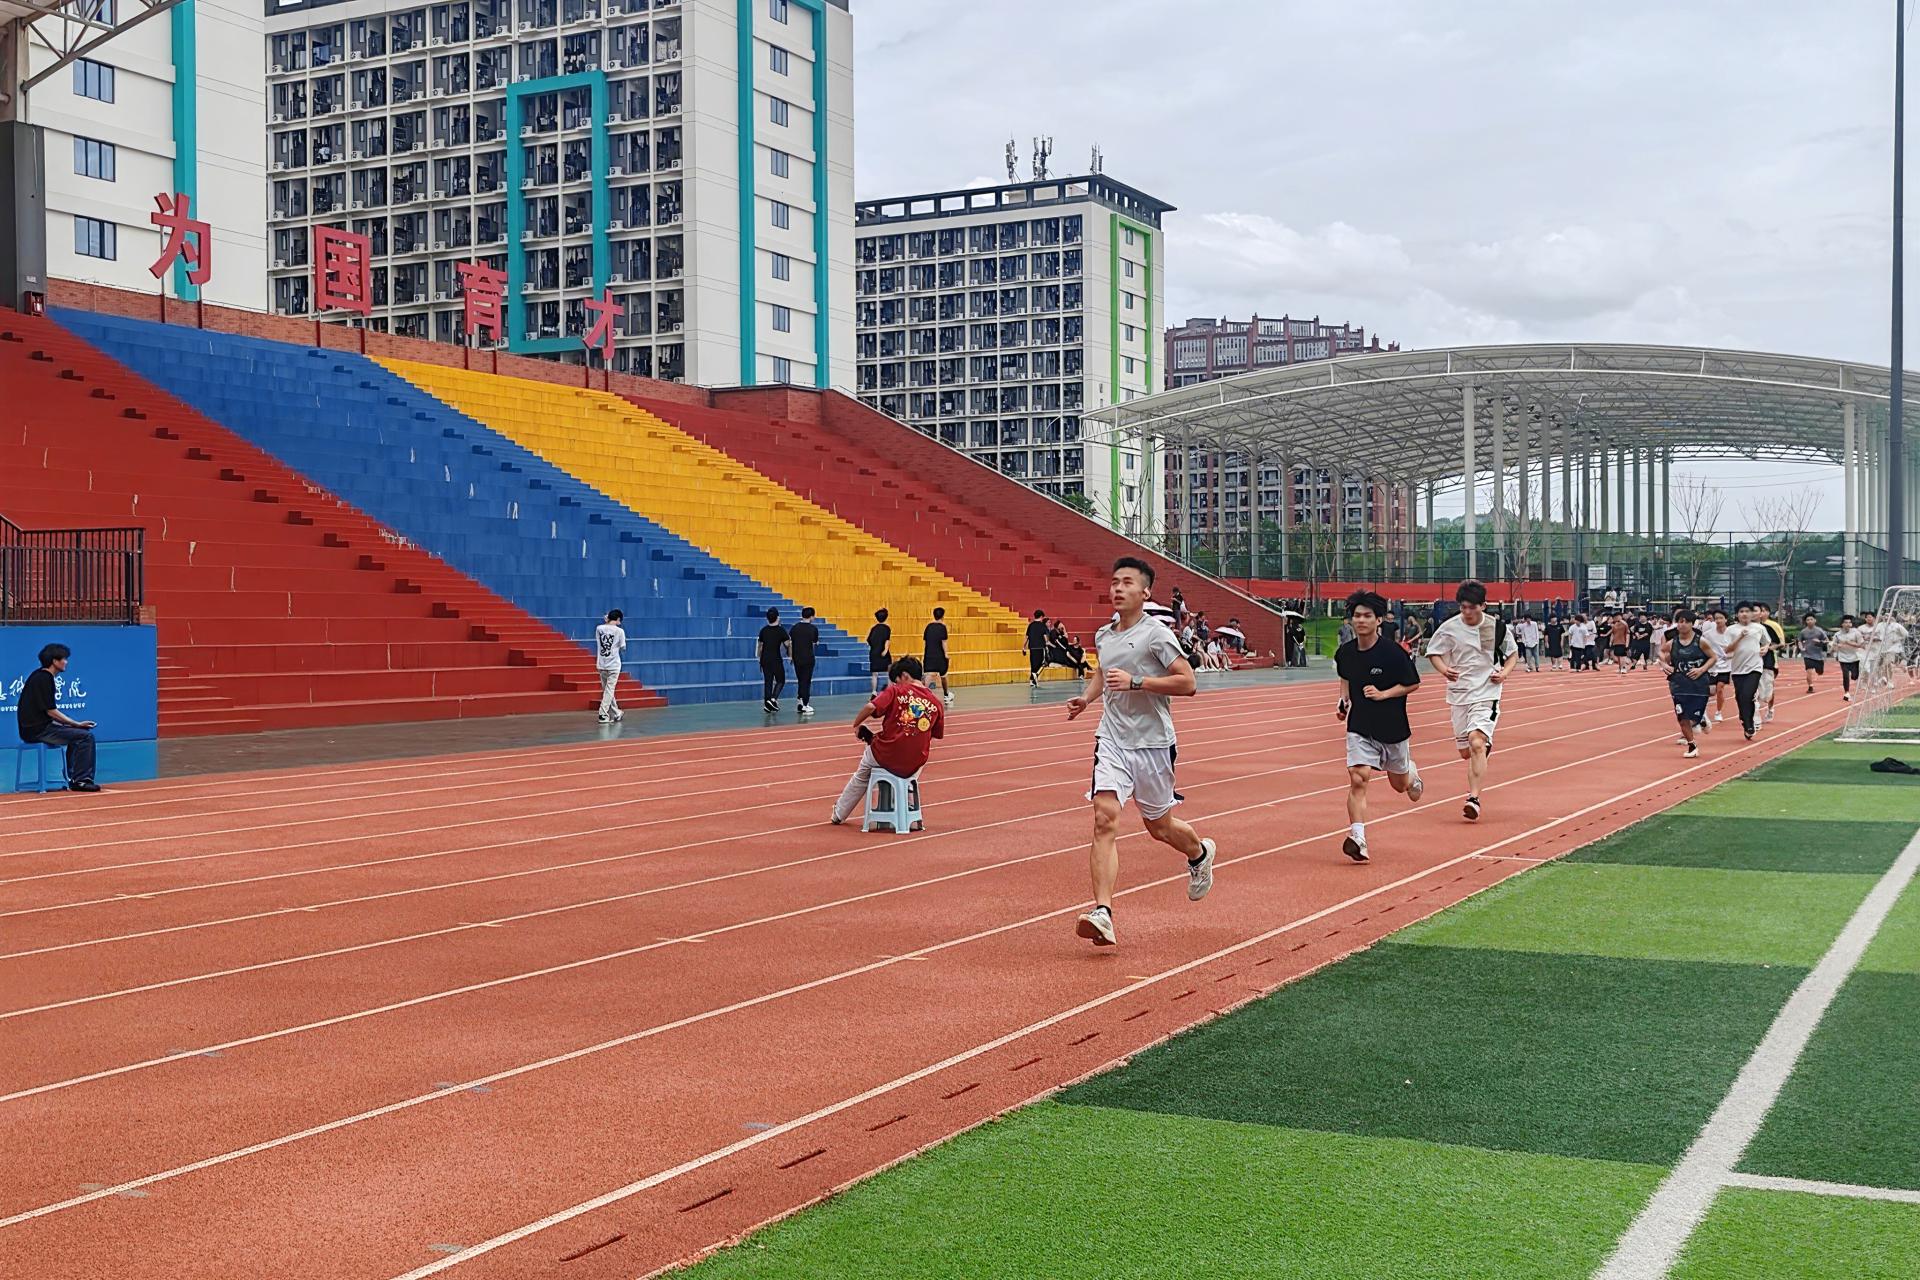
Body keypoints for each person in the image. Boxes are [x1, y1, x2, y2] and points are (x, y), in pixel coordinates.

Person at [1067, 556, 1217, 948]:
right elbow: (1103, 672)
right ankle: (1103, 913)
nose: (1118, 588)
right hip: (1112, 740)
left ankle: (1199, 854)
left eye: (1127, 582)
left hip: (1153, 744)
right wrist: (1086, 698)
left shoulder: (1157, 635)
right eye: (1114, 581)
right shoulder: (1104, 634)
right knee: (1104, 818)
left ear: (1145, 592)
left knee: (1159, 827)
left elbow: (1188, 683)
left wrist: (1138, 682)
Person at [1334, 590, 1424, 863]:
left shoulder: (1393, 653)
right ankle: (1358, 838)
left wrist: (1384, 694)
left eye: (1367, 616)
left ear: (1378, 620)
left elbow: (1413, 683)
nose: (1361, 620)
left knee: (1399, 785)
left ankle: (1411, 773)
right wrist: (1343, 701)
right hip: (1360, 725)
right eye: (1357, 616)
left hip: (1392, 727)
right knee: (1358, 777)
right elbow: (1345, 678)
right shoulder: (1345, 653)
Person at [1424, 580, 1519, 823]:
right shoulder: (1449, 628)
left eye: (1471, 607)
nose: (1466, 612)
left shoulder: (1496, 627)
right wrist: (1444, 670)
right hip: (1459, 694)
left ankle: (1473, 798)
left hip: (1487, 692)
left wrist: (1504, 673)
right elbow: (1433, 653)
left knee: (1476, 742)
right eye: (1463, 607)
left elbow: (1512, 654)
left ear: (1483, 606)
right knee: (1465, 752)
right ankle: (1482, 746)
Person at [829, 656, 946, 827]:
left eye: (897, 680)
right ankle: (907, 805)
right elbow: (935, 734)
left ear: (904, 675)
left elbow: (871, 707)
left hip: (886, 753)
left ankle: (839, 813)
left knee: (862, 774)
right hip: (914, 761)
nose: (896, 684)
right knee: (914, 765)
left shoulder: (896, 691)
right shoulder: (935, 703)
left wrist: (856, 724)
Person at [16, 643, 100, 792]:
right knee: (85, 737)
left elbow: (45, 712)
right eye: (64, 659)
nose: (66, 662)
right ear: (54, 661)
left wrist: (72, 726)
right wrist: (76, 724)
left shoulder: (39, 675)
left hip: (36, 728)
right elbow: (51, 711)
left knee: (78, 735)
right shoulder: (44, 678)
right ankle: (81, 780)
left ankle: (73, 777)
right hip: (38, 731)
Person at [1662, 608, 1715, 758]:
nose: (1682, 624)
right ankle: (1692, 745)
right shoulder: (1672, 643)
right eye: (1680, 621)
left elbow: (1713, 657)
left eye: (1686, 622)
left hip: (1699, 685)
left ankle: (1701, 719)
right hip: (1678, 684)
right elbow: (1662, 652)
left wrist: (1701, 669)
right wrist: (1665, 664)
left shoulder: (1701, 642)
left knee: (1693, 718)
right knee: (1682, 717)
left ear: (1692, 624)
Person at [1723, 601, 1769, 740]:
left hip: (1755, 667)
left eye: (1747, 611)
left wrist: (1765, 648)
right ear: (1737, 614)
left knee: (1748, 695)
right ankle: (1745, 720)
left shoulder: (1759, 628)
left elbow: (1767, 642)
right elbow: (1727, 649)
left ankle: (1749, 724)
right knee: (1740, 697)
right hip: (1738, 669)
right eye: (1741, 612)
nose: (1744, 614)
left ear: (1752, 614)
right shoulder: (1731, 630)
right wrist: (1740, 637)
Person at [594, 608, 627, 724]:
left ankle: (617, 712)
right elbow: (623, 647)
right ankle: (603, 714)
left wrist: (606, 621)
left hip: (601, 663)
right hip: (613, 664)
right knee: (609, 690)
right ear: (618, 619)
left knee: (607, 690)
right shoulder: (620, 631)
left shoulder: (599, 628)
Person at [1756, 603, 1787, 724]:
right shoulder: (1747, 627)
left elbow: (1781, 643)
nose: (1761, 613)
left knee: (1768, 688)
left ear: (1768, 613)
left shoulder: (1772, 626)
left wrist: (1768, 648)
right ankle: (1755, 713)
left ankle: (1770, 708)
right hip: (1753, 662)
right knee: (1754, 688)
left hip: (1769, 660)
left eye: (1763, 611)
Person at [756, 607, 790, 713]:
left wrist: (759, 658)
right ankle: (773, 699)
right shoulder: (781, 630)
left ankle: (767, 703)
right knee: (780, 680)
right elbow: (787, 644)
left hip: (765, 659)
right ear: (778, 617)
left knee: (768, 681)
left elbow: (760, 646)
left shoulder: (764, 630)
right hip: (776, 659)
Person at [1703, 607, 1734, 722]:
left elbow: (1737, 648)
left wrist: (1730, 655)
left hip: (1725, 666)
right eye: (1716, 618)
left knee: (1720, 688)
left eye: (1721, 618)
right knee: (1711, 691)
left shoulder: (1731, 633)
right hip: (1712, 666)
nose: (1718, 620)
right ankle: (1703, 710)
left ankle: (1718, 712)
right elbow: (1703, 646)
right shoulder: (1708, 634)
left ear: (1726, 619)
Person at [790, 606, 820, 716]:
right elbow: (815, 642)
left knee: (800, 680)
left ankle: (800, 701)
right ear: (811, 616)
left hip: (797, 657)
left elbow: (791, 642)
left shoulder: (795, 628)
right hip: (808, 658)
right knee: (806, 681)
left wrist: (791, 656)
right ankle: (805, 704)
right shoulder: (813, 629)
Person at [922, 606, 952, 703]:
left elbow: (926, 642)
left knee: (929, 675)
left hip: (929, 654)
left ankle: (924, 696)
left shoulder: (928, 627)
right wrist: (946, 654)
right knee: (944, 675)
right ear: (943, 616)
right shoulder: (943, 627)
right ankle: (946, 694)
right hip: (940, 655)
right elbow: (944, 642)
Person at [1833, 614, 1864, 701]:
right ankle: (1846, 693)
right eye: (1846, 622)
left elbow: (1861, 645)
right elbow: (1834, 646)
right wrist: (1836, 647)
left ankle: (1856, 678)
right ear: (1842, 624)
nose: (1848, 624)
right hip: (1843, 657)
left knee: (1855, 676)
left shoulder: (1856, 633)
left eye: (1849, 622)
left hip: (1855, 657)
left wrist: (1850, 643)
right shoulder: (1837, 635)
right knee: (1845, 675)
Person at [1799, 612, 1828, 696]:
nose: (1810, 621)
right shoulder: (1803, 632)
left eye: (1811, 619)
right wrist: (1801, 647)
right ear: (1805, 621)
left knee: (1820, 672)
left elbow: (1826, 641)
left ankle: (1819, 670)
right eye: (1808, 620)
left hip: (1818, 655)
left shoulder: (1819, 630)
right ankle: (1810, 686)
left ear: (1815, 620)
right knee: (1809, 671)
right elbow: (1799, 641)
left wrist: (1820, 641)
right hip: (1807, 654)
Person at [866, 608, 892, 696]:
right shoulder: (887, 628)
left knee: (874, 674)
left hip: (874, 653)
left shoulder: (873, 628)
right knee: (889, 671)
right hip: (883, 653)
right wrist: (885, 650)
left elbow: (869, 640)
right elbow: (887, 641)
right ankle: (890, 690)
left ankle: (874, 691)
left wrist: (874, 648)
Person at [1024, 609, 1050, 686]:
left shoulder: (1030, 625)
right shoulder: (1042, 626)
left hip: (1032, 647)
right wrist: (1047, 645)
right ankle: (1035, 675)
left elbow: (1027, 637)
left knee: (1033, 664)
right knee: (1042, 663)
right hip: (1040, 647)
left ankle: (1032, 680)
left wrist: (1023, 647)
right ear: (1041, 617)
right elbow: (1045, 638)